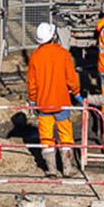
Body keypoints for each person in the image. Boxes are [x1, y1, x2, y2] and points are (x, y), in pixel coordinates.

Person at [26, 22, 81, 177]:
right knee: (65, 135)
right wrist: (77, 94)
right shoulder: (63, 54)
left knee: (46, 137)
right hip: (62, 102)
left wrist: (33, 100)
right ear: (53, 36)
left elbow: (32, 83)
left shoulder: (35, 57)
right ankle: (67, 168)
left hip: (43, 105)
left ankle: (51, 169)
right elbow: (71, 78)